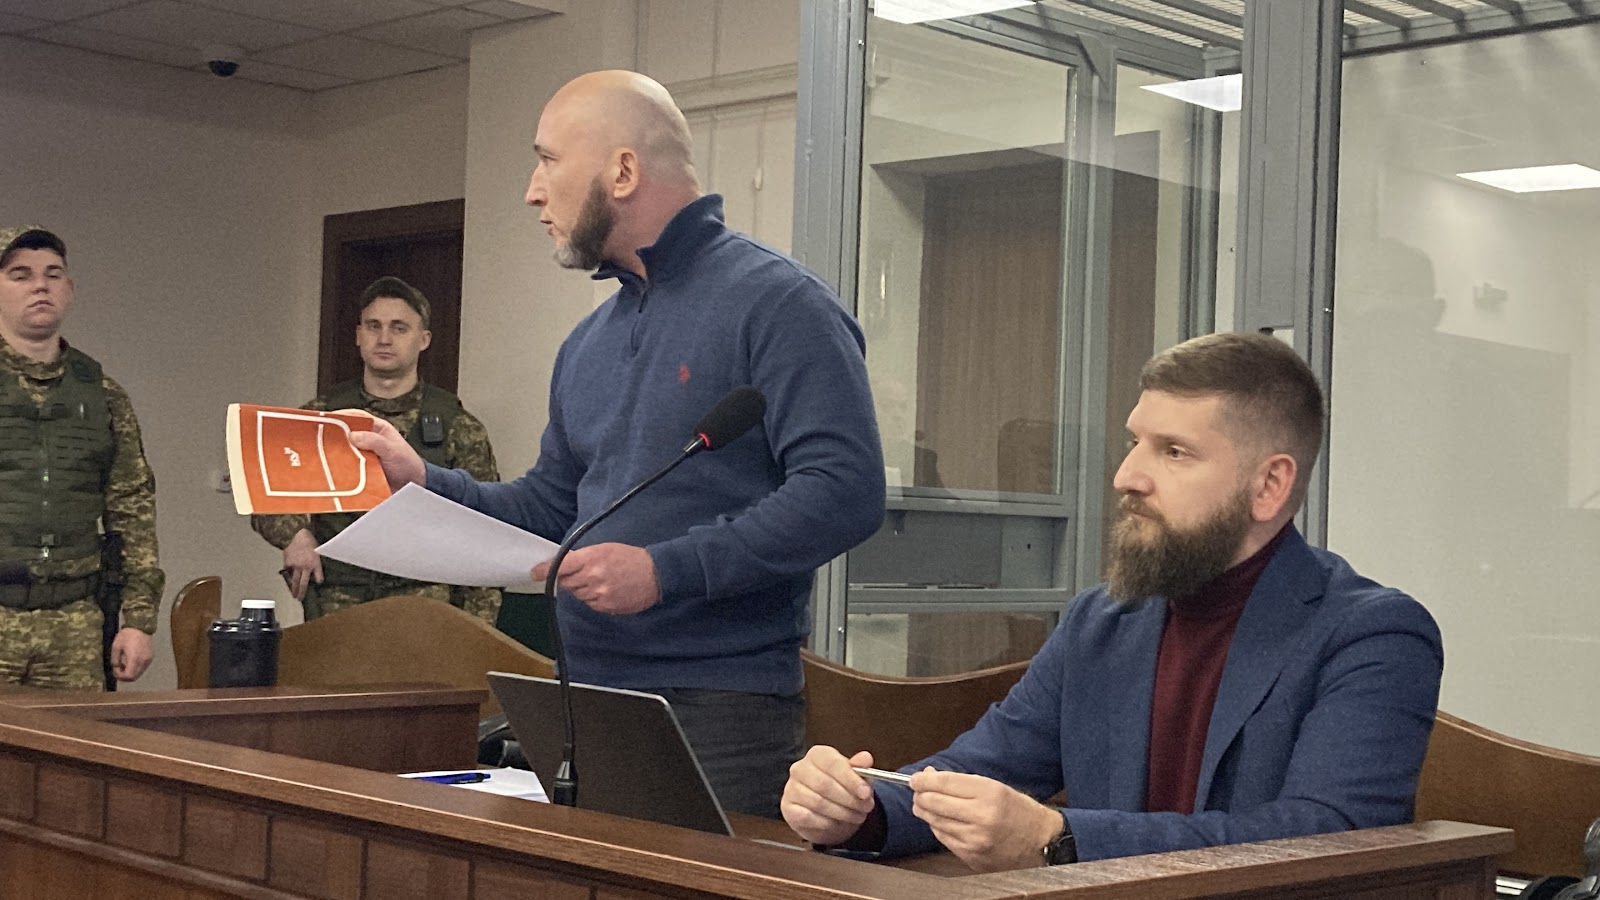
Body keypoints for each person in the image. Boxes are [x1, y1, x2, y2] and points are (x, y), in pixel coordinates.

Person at [353, 70, 885, 818]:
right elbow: (553, 507)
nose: (532, 192)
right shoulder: (587, 343)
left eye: (548, 160)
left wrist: (666, 571)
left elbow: (845, 490)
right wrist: (426, 482)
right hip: (582, 695)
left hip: (718, 706)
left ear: (623, 171)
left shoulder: (780, 304)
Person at [781, 332, 1443, 871]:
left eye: (1174, 452)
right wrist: (861, 807)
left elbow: (1329, 835)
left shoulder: (1373, 635)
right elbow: (979, 769)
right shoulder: (1103, 621)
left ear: (1269, 485)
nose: (1127, 476)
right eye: (1134, 443)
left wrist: (1059, 840)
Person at [252, 276, 502, 623]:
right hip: (338, 600)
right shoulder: (319, 418)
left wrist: (475, 627)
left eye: (399, 328)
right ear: (358, 335)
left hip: (425, 605)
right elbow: (266, 490)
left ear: (424, 339)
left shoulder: (457, 426)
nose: (384, 339)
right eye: (373, 326)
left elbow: (485, 529)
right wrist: (295, 535)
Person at [0, 225, 164, 690]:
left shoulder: (103, 394)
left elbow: (132, 506)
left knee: (74, 738)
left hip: (74, 623)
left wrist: (138, 619)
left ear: (69, 290)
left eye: (53, 275)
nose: (40, 286)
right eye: (20, 275)